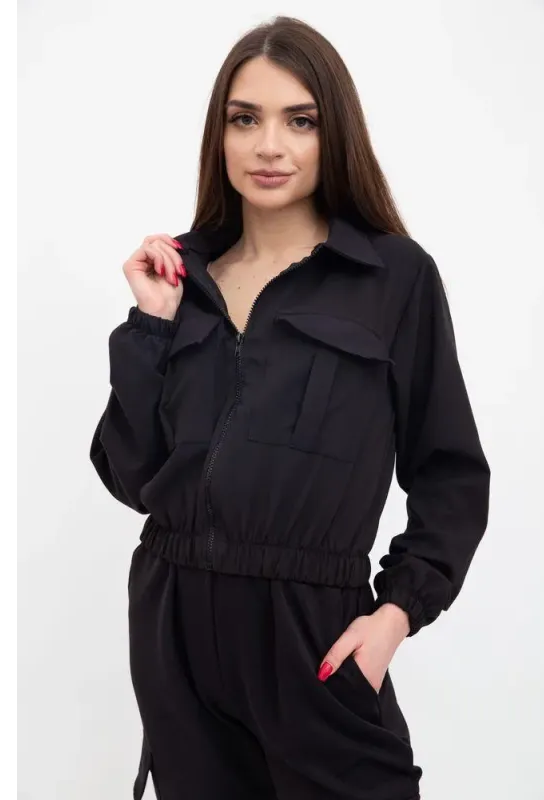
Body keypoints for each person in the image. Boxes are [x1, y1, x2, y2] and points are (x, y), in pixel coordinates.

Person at [89, 15, 490, 800]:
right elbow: (132, 477)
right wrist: (150, 324)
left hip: (313, 633)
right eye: (245, 119)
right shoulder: (183, 278)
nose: (269, 146)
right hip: (175, 629)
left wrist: (396, 615)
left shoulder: (393, 278)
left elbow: (451, 474)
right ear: (220, 135)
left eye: (299, 121)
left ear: (333, 133)